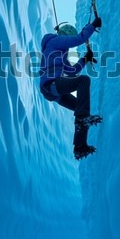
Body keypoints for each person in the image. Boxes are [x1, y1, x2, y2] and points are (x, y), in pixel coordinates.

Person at [39, 17, 102, 160]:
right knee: (84, 81)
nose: (68, 46)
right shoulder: (55, 41)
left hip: (52, 91)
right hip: (52, 84)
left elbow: (72, 71)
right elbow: (78, 39)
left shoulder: (59, 52)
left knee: (79, 107)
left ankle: (80, 147)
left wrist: (85, 59)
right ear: (65, 34)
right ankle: (82, 120)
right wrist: (92, 26)